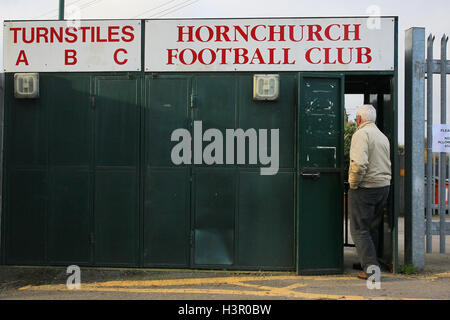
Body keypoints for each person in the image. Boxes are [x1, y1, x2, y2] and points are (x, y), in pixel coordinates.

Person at [348, 104, 391, 280]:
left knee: (359, 229)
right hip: (383, 187)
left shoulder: (361, 134)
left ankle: (371, 270)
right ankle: (369, 261)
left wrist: (353, 183)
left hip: (366, 187)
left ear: (359, 119)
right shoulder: (381, 136)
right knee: (372, 227)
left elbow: (359, 163)